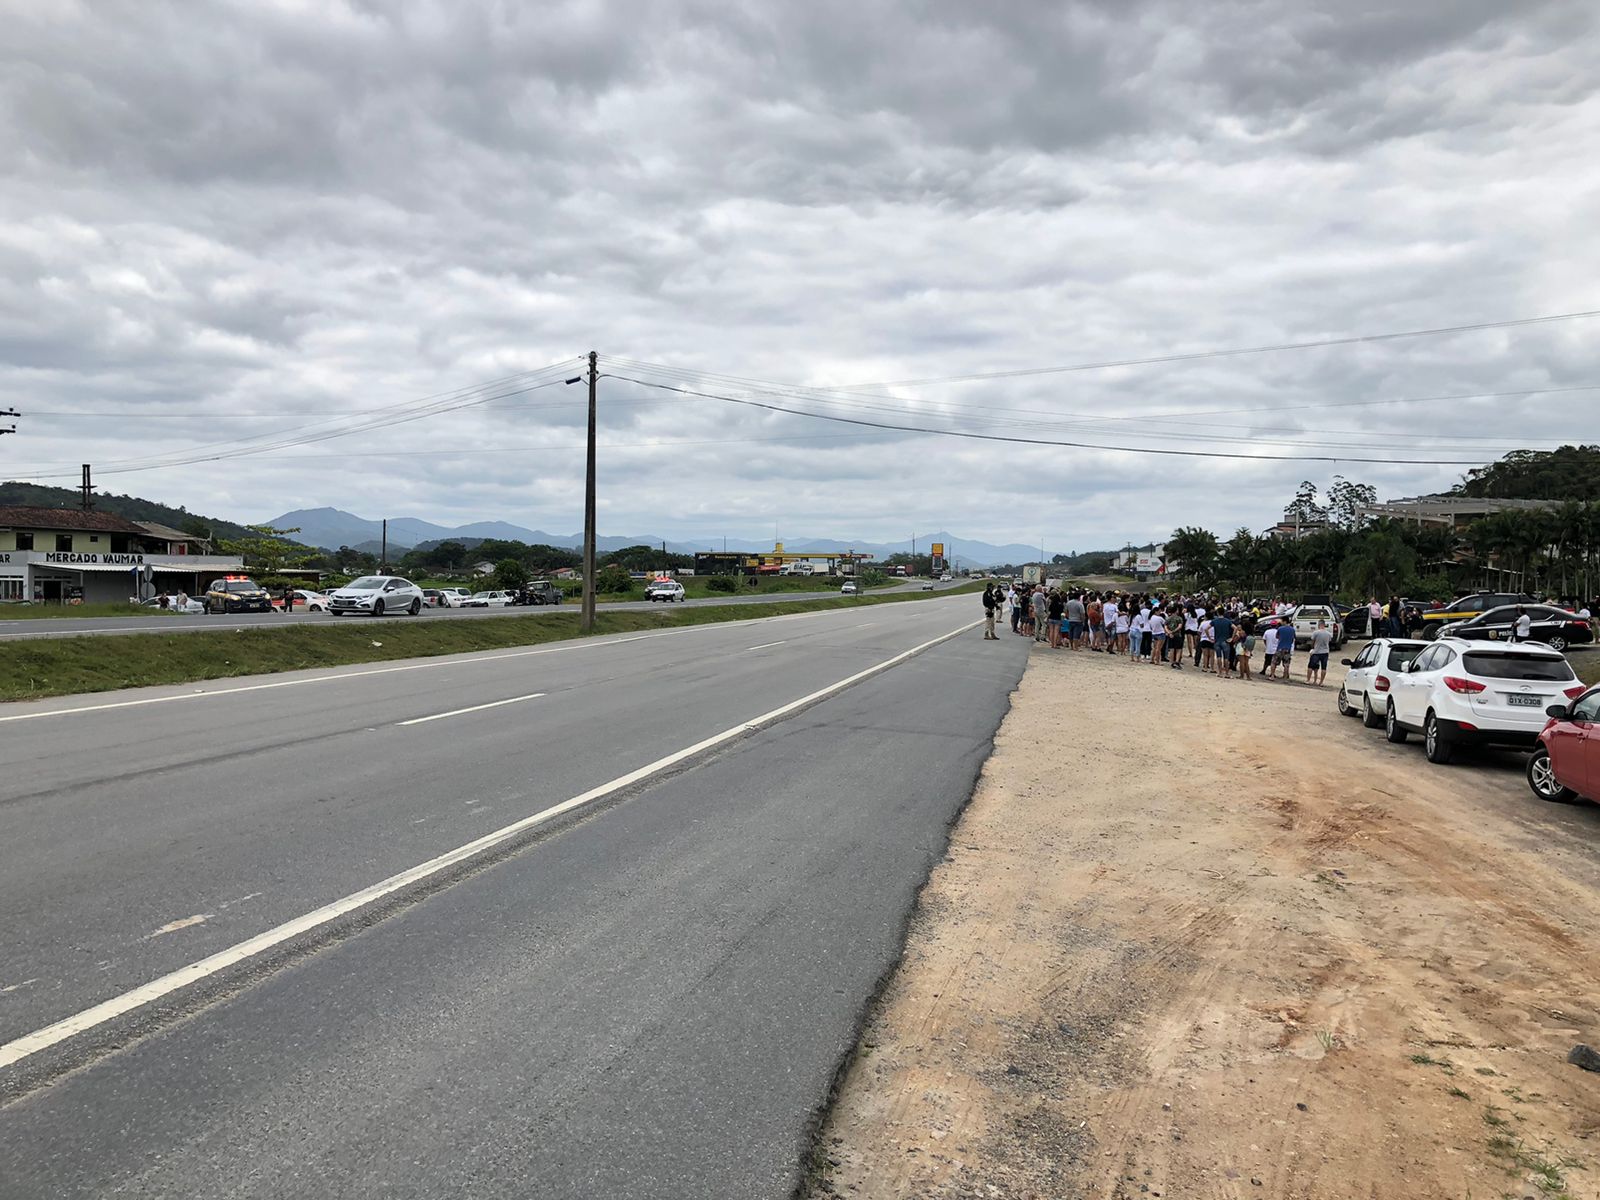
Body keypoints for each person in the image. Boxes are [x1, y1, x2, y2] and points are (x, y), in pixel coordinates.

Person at [1211, 610, 1234, 678]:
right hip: (1225, 641)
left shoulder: (1215, 621)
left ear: (1218, 613)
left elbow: (1207, 629)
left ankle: (1220, 672)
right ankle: (1227, 673)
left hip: (1217, 640)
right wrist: (1232, 638)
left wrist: (1210, 638)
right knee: (1226, 658)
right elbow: (1235, 628)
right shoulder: (1227, 621)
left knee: (1218, 657)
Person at [1308, 620, 1332, 685]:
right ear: (1324, 625)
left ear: (1319, 625)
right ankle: (1321, 682)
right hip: (1325, 652)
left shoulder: (1315, 633)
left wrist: (1312, 648)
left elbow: (1312, 641)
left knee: (1310, 666)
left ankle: (1308, 680)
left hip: (1316, 652)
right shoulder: (1328, 634)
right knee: (1324, 667)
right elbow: (1329, 642)